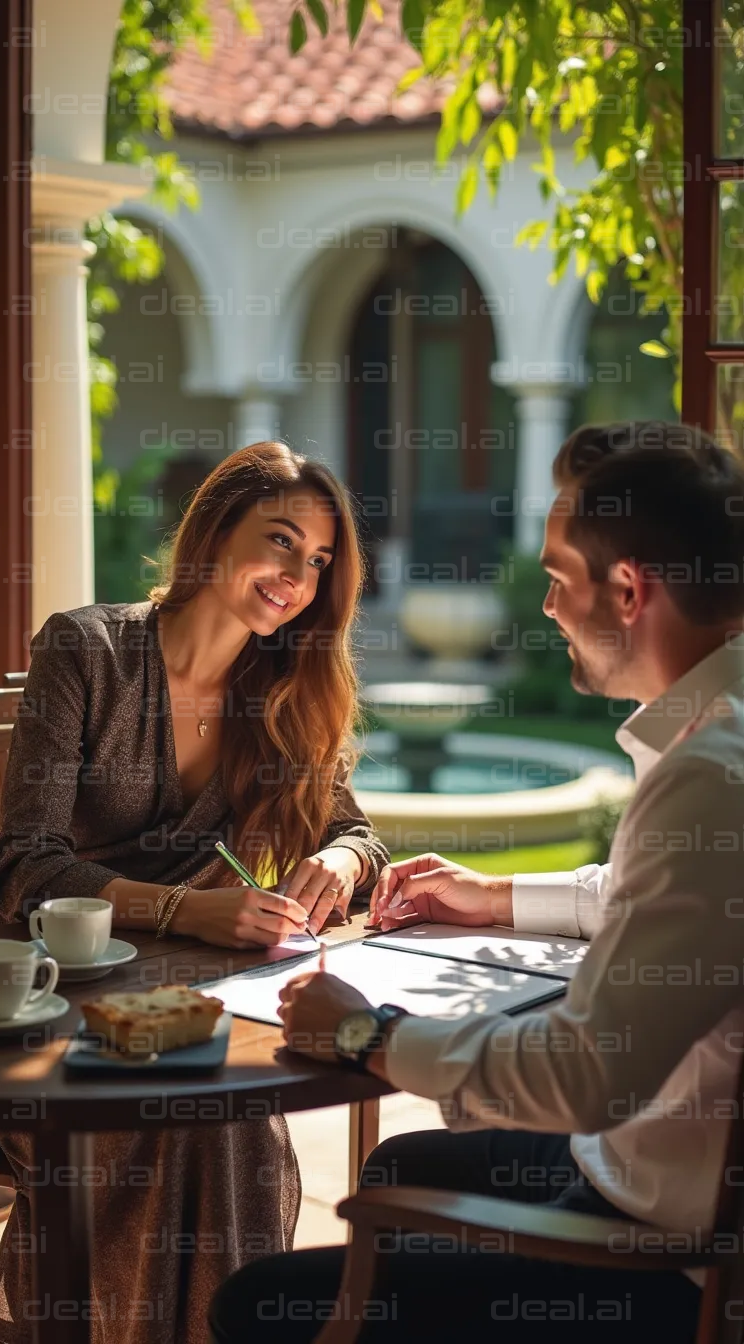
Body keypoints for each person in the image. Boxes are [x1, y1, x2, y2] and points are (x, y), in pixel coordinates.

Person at [209, 421, 744, 1342]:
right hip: (650, 1173)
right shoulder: (719, 730)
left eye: (557, 578)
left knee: (256, 1307)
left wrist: (367, 1032)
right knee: (402, 1166)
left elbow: (586, 1074)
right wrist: (496, 898)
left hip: (659, 1260)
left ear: (628, 591)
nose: (547, 606)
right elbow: (664, 901)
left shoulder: (709, 776)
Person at [0, 441, 389, 1344]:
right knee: (201, 1112)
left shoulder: (285, 688)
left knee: (221, 1105)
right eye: (280, 541)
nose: (298, 577)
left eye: (320, 561)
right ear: (213, 532)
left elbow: (360, 836)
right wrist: (184, 907)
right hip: (41, 1000)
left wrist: (343, 862)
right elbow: (22, 868)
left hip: (178, 997)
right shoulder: (86, 649)